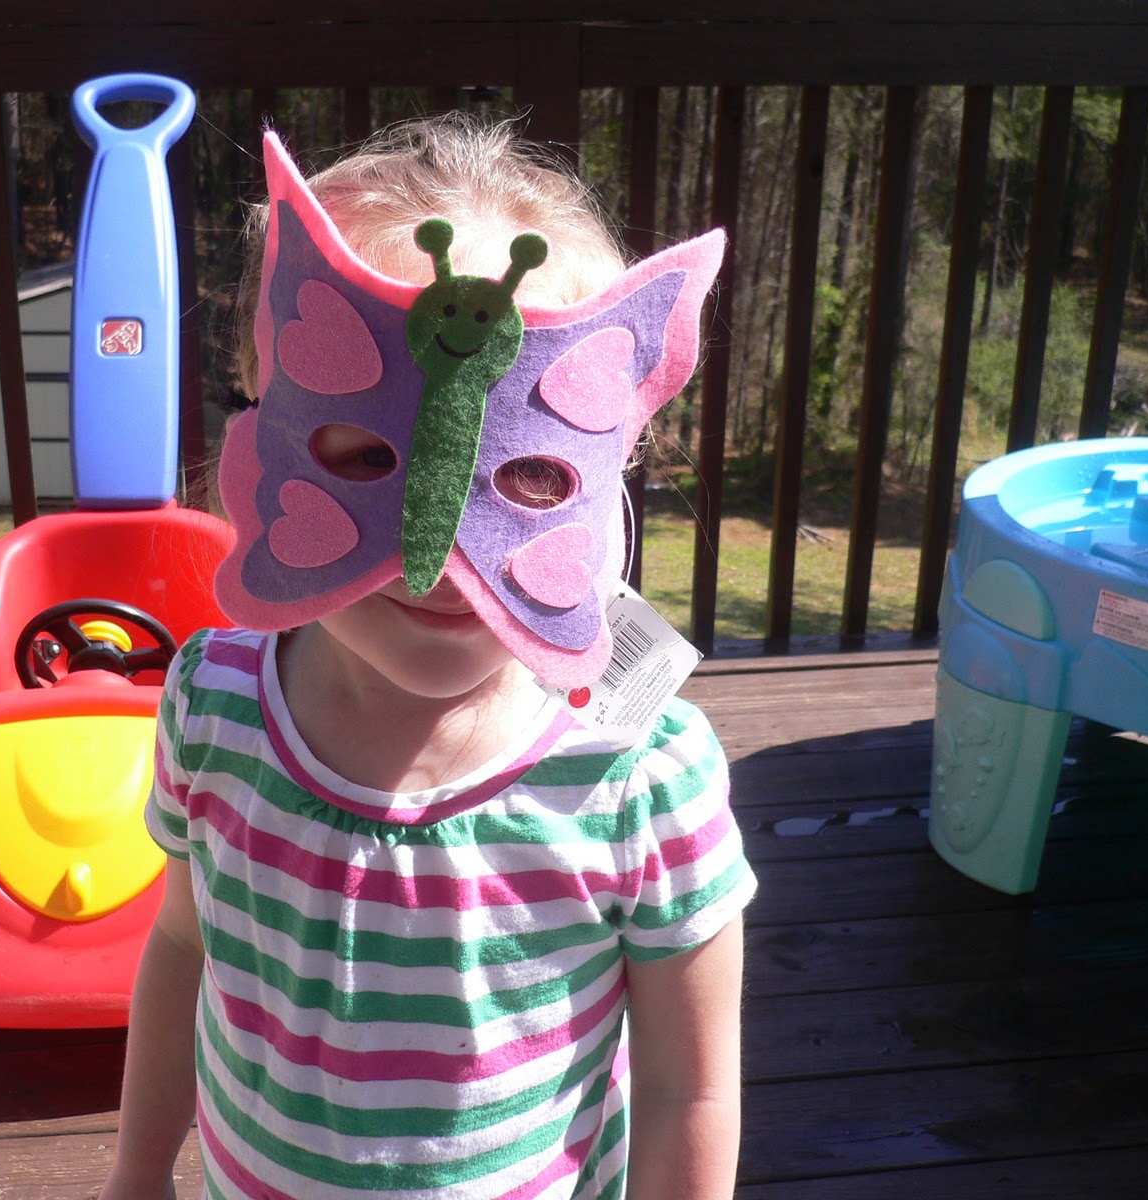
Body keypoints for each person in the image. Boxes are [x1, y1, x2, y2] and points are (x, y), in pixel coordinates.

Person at [100, 113, 755, 1200]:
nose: (435, 556)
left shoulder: (640, 777)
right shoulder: (212, 705)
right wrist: (136, 1170)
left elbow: (690, 1091)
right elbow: (182, 947)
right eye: (368, 459)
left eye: (528, 478)